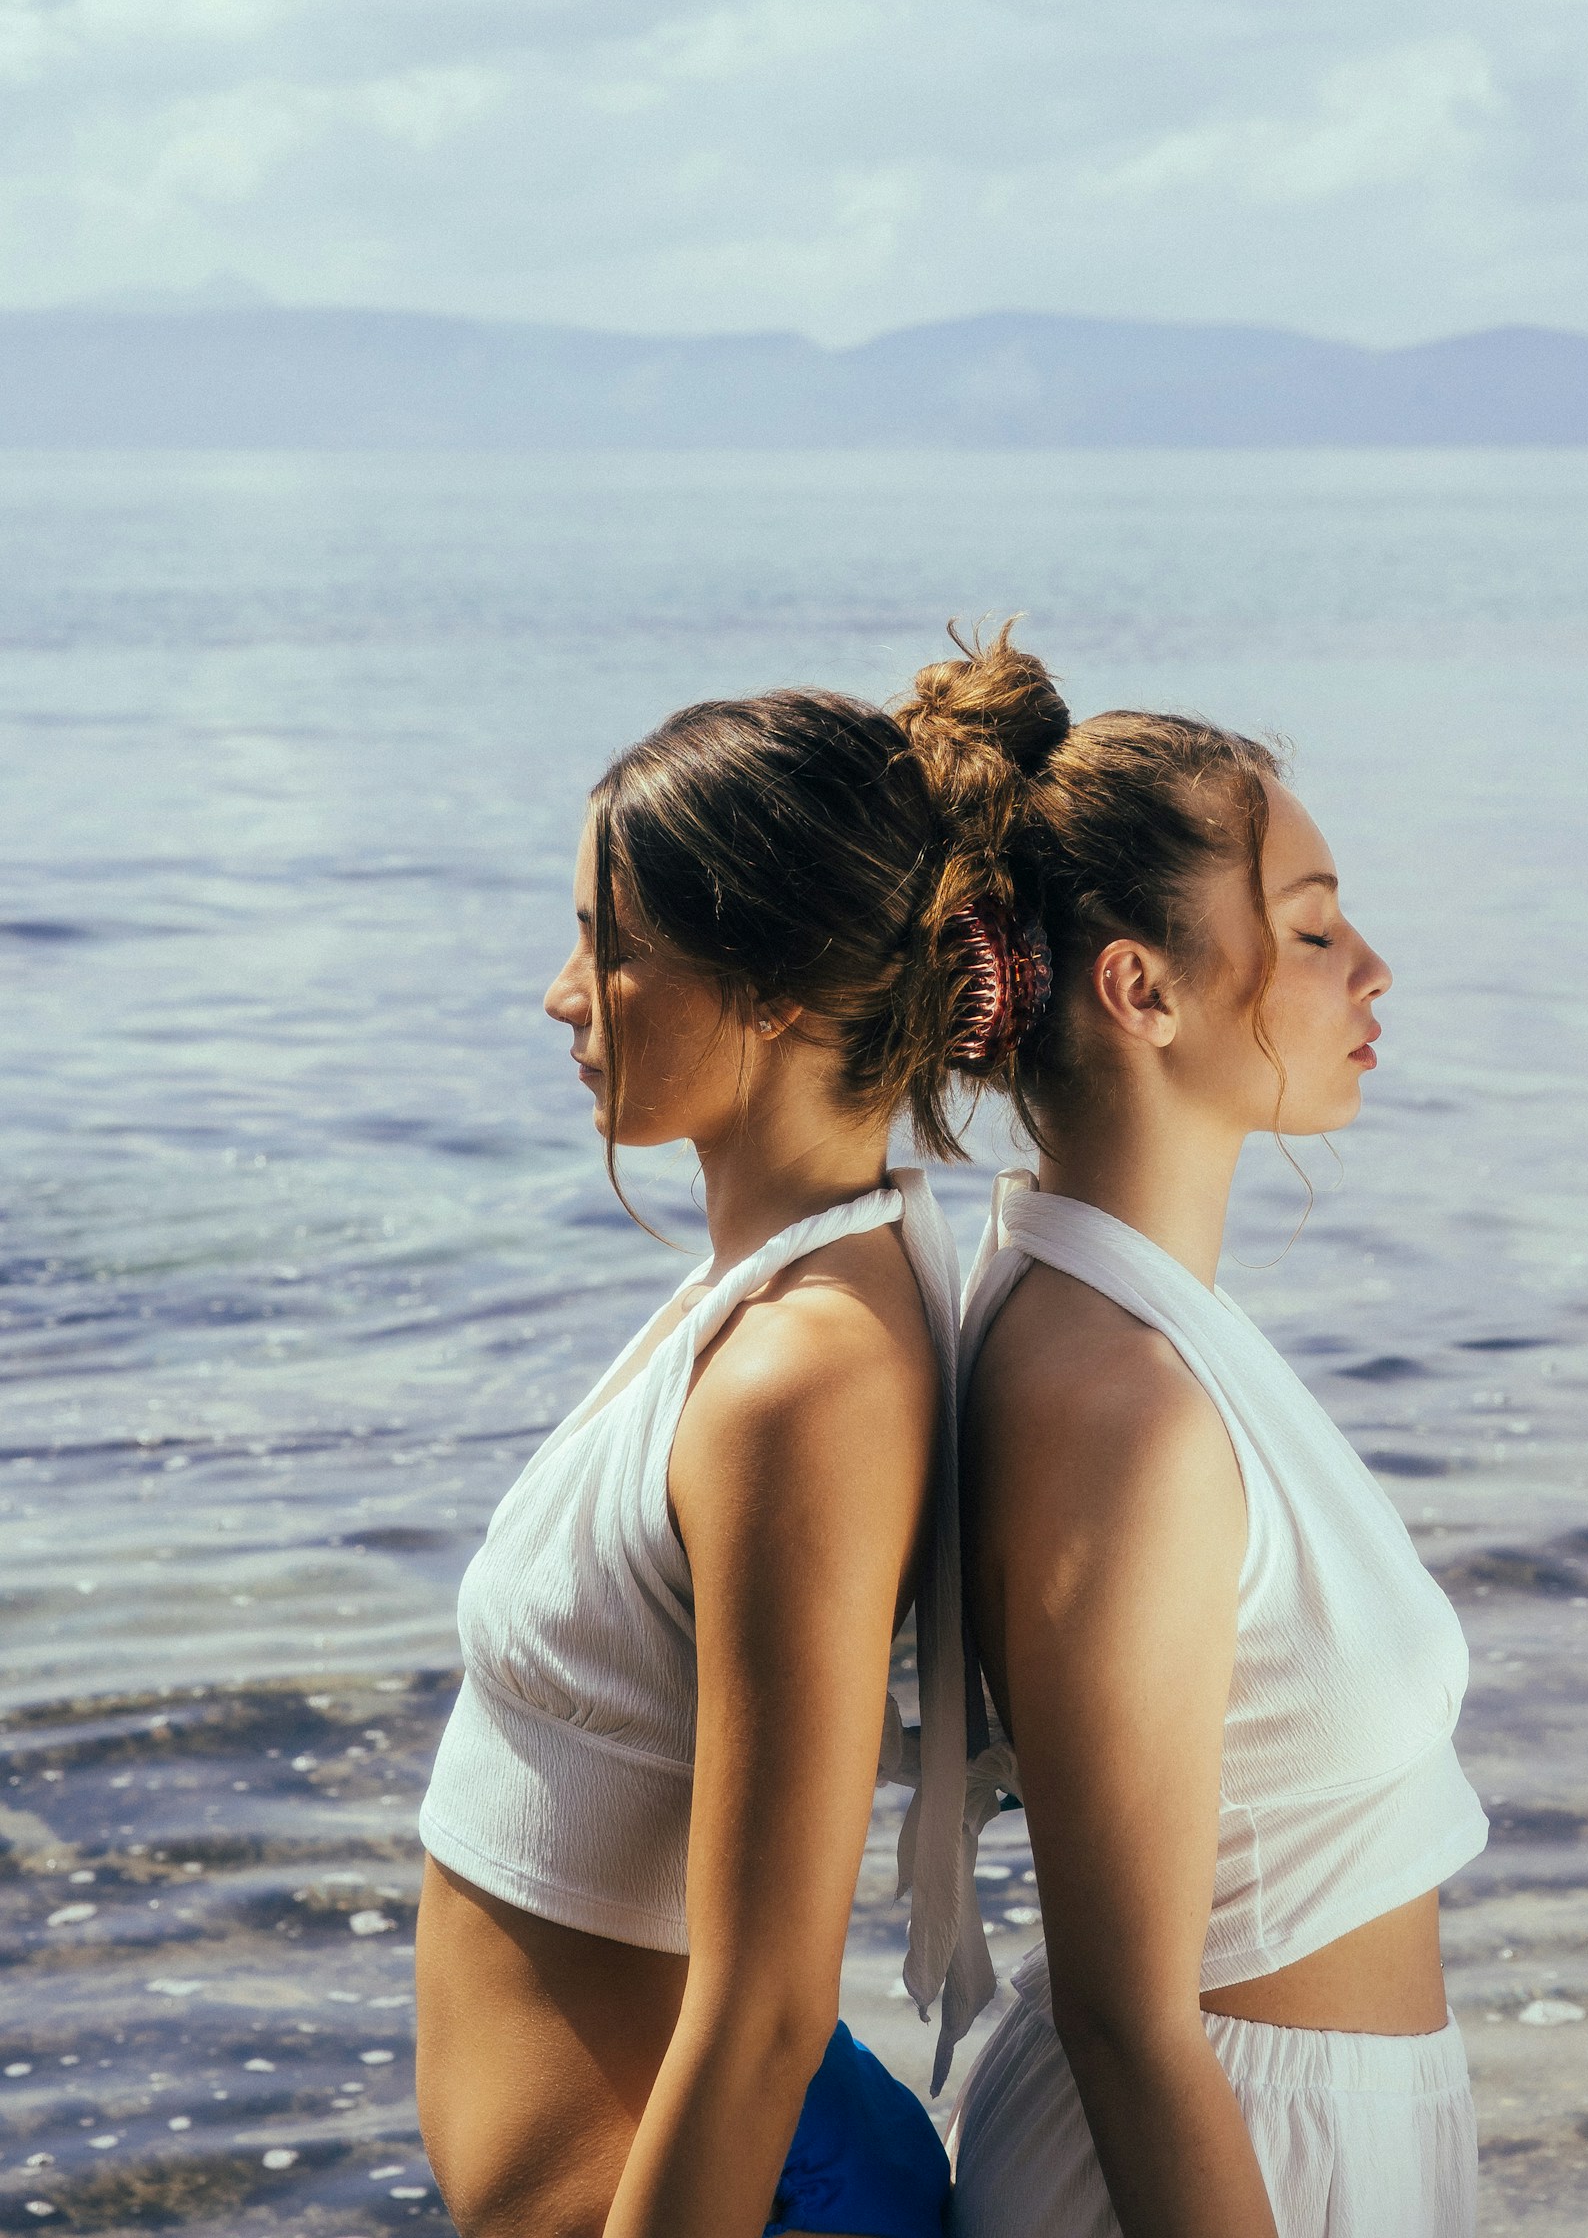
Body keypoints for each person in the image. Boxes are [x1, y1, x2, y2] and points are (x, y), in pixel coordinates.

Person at [905, 631, 1488, 2238]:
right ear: (1139, 986)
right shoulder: (1121, 1405)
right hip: (1217, 2160)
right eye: (1311, 931)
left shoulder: (1131, 1328)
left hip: (1294, 2126)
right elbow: (1126, 2016)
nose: (1370, 969)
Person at [413, 685, 1000, 2238]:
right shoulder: (779, 1293)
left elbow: (762, 2011)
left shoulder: (802, 1377)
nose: (565, 994)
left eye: (615, 946)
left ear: (780, 991)